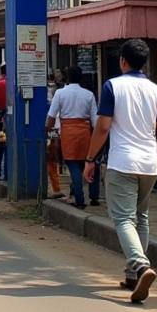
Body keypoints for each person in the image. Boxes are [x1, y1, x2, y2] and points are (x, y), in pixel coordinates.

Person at [83, 39, 157, 304]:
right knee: (141, 218)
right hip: (149, 164)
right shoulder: (155, 90)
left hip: (122, 161)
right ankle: (133, 275)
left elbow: (102, 127)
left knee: (123, 219)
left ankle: (141, 265)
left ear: (123, 60)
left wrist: (91, 158)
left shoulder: (113, 86)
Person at [46, 66, 98, 208]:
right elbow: (95, 121)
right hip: (85, 132)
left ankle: (79, 199)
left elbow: (51, 116)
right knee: (88, 162)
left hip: (68, 131)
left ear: (66, 77)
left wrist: (47, 129)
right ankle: (94, 197)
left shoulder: (60, 94)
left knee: (72, 164)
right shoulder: (89, 95)